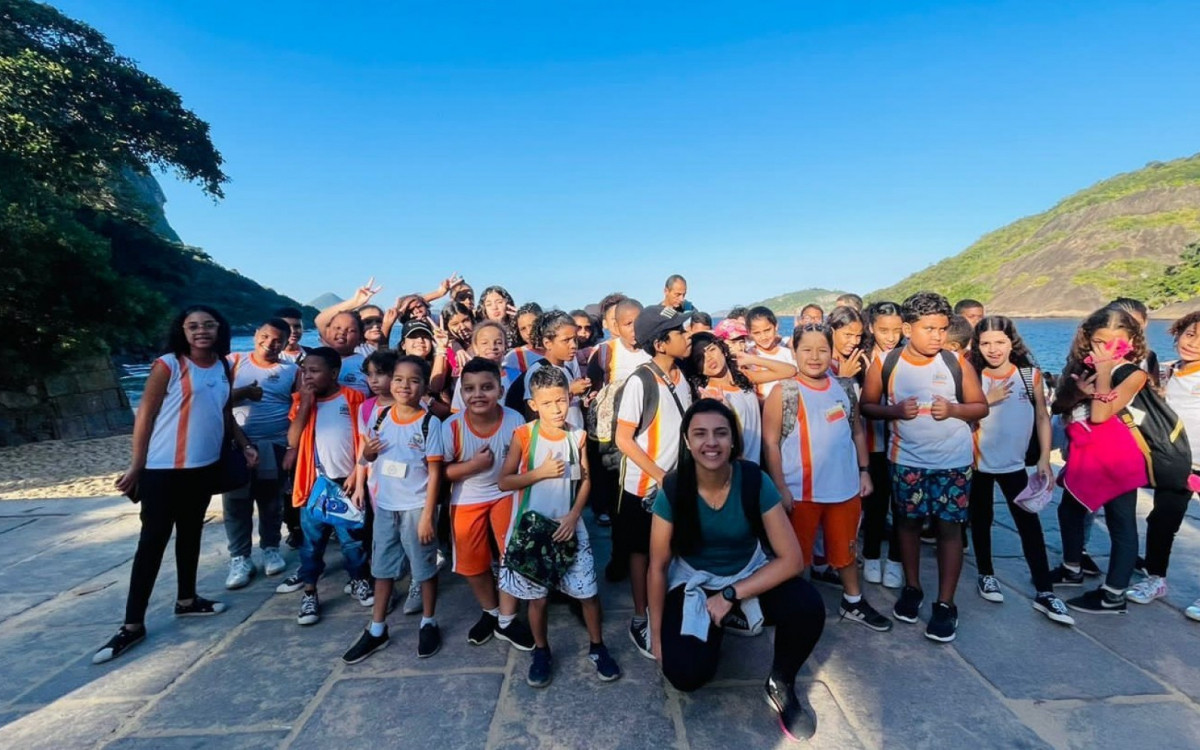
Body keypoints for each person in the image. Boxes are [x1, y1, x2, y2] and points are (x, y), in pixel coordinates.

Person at [648, 400, 826, 742]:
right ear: (687, 441)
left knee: (807, 605)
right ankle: (722, 624)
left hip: (747, 572)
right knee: (686, 674)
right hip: (694, 582)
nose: (710, 443)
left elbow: (791, 559)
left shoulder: (753, 481)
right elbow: (657, 567)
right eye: (700, 434)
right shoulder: (673, 488)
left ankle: (781, 681)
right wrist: (656, 637)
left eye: (720, 433)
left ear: (733, 441)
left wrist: (731, 594)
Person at [94, 305, 258, 665]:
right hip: (163, 469)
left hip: (204, 466)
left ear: (220, 328)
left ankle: (187, 600)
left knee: (190, 535)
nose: (201, 331)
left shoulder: (224, 366)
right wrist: (137, 466)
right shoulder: (168, 365)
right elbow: (146, 417)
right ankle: (132, 624)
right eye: (193, 326)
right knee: (151, 543)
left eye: (208, 325)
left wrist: (245, 445)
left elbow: (224, 413)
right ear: (182, 331)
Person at [861, 292, 989, 643]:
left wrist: (954, 410)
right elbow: (867, 406)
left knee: (950, 529)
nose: (937, 335)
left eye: (942, 328)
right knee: (907, 523)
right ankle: (913, 588)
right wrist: (895, 412)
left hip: (953, 462)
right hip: (906, 461)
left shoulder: (955, 362)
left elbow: (980, 407)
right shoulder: (887, 363)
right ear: (907, 328)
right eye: (929, 328)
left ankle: (945, 603)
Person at [762, 324, 892, 633]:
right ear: (794, 352)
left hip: (845, 489)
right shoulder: (784, 392)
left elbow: (857, 431)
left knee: (845, 551)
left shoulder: (845, 387)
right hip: (801, 492)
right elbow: (770, 443)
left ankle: (853, 600)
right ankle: (796, 608)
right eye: (806, 349)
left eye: (822, 349)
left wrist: (864, 472)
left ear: (832, 353)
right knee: (796, 557)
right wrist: (780, 487)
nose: (815, 357)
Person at [498, 366, 622, 687]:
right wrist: (538, 473)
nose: (557, 409)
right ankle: (541, 651)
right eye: (549, 402)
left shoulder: (576, 436)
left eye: (562, 400)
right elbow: (504, 481)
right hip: (533, 530)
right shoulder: (524, 436)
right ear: (533, 404)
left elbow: (585, 480)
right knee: (537, 600)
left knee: (588, 594)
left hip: (569, 526)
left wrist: (573, 515)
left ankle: (597, 646)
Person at [967, 317, 1074, 625]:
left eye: (999, 342)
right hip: (978, 463)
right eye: (985, 343)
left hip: (1014, 464)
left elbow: (1042, 415)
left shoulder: (1029, 375)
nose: (993, 349)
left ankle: (1045, 590)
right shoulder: (972, 375)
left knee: (1029, 525)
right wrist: (988, 400)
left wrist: (1044, 456)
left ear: (1011, 342)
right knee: (981, 520)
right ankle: (986, 574)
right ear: (977, 345)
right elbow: (962, 416)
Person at [342, 355, 446, 662]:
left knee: (424, 568)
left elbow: (436, 473)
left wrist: (428, 516)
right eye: (399, 379)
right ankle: (377, 628)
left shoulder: (430, 423)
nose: (404, 386)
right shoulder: (381, 416)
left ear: (425, 386)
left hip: (416, 507)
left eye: (414, 380)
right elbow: (367, 459)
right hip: (386, 506)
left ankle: (429, 621)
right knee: (382, 568)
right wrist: (368, 455)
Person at [1050, 306, 1147, 614]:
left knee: (1121, 523)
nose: (1108, 348)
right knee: (1069, 510)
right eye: (1101, 341)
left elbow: (1102, 414)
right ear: (1088, 338)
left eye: (1118, 340)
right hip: (1085, 453)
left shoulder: (1133, 373)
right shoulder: (1083, 365)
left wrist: (1103, 373)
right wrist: (1078, 391)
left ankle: (1113, 593)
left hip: (1116, 458)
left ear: (1132, 340)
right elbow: (1060, 407)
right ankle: (1072, 567)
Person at [614, 304, 694, 658]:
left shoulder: (682, 375)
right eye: (680, 331)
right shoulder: (640, 381)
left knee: (669, 551)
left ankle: (663, 610)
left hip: (675, 485)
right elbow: (623, 438)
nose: (687, 335)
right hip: (645, 487)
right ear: (661, 343)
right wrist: (659, 475)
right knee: (641, 553)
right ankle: (640, 617)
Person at [440, 359, 536, 650]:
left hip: (506, 495)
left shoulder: (514, 419)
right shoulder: (452, 426)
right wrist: (472, 465)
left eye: (486, 387)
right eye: (469, 389)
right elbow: (440, 472)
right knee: (472, 564)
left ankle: (506, 620)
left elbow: (523, 464)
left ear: (500, 389)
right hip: (467, 498)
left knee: (512, 556)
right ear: (461, 392)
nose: (478, 394)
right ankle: (490, 611)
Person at [275, 347, 372, 623]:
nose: (307, 376)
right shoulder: (300, 401)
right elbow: (293, 440)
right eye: (304, 371)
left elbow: (363, 439)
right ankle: (309, 591)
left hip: (348, 480)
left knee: (352, 539)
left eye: (314, 371)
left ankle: (358, 579)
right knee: (312, 542)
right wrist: (305, 403)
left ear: (334, 373)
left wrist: (358, 473)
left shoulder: (353, 398)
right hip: (314, 482)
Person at [223, 318, 298, 589]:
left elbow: (300, 409)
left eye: (277, 339)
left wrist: (292, 446)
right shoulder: (233, 361)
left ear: (286, 341)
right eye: (265, 336)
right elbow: (212, 399)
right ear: (256, 334)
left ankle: (270, 547)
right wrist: (243, 392)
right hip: (235, 443)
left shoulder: (291, 371)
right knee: (236, 503)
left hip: (274, 443)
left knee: (271, 501)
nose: (269, 343)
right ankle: (240, 557)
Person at [1140, 312, 1200, 619]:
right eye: (1190, 334)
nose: (1193, 343)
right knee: (1162, 521)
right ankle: (1155, 579)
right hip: (1175, 462)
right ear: (1178, 333)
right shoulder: (1162, 371)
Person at [586, 297, 649, 531]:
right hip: (610, 426)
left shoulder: (652, 349)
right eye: (627, 323)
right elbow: (593, 388)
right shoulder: (604, 352)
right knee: (611, 471)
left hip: (645, 422)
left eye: (638, 322)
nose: (633, 329)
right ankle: (607, 509)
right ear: (616, 326)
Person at [684, 331, 795, 463]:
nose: (709, 358)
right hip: (737, 468)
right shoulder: (710, 396)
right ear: (697, 368)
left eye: (711, 350)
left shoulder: (742, 378)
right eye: (699, 358)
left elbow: (790, 371)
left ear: (722, 349)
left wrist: (752, 359)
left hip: (757, 465)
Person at [860, 301, 905, 588]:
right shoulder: (861, 358)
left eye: (897, 330)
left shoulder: (909, 356)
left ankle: (897, 561)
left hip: (905, 443)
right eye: (884, 330)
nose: (890, 336)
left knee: (902, 506)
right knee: (875, 504)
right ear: (871, 328)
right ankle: (872, 555)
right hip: (872, 441)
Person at [521, 311, 588, 426]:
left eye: (575, 340)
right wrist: (570, 391)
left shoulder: (567, 368)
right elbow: (533, 414)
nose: (573, 345)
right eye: (566, 340)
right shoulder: (538, 370)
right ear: (548, 343)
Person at [451, 321, 510, 414]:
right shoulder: (466, 377)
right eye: (484, 343)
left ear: (505, 346)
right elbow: (458, 413)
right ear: (475, 347)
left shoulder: (515, 375)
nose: (492, 347)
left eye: (498, 342)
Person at [746, 306, 797, 398]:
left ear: (776, 326)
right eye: (757, 333)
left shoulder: (788, 354)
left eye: (767, 330)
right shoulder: (749, 356)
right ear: (749, 333)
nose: (763, 336)